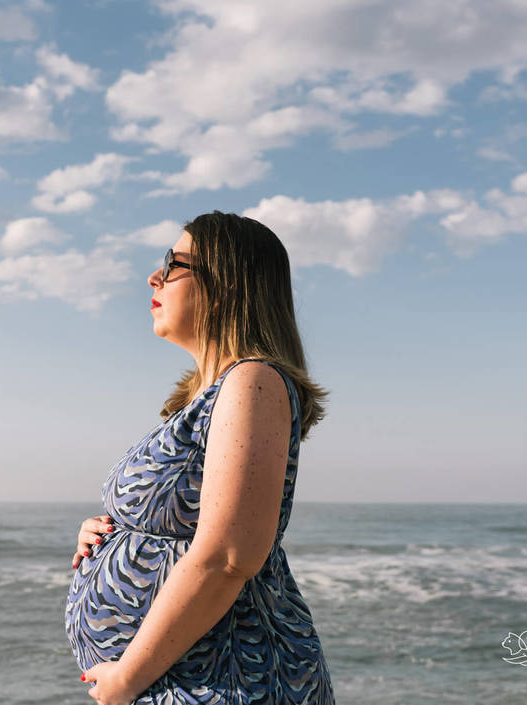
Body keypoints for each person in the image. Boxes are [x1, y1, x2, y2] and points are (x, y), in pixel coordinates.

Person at [64, 211, 336, 705]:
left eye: (173, 263)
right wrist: (113, 532)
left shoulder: (252, 381)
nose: (155, 277)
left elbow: (229, 556)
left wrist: (127, 677)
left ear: (226, 281)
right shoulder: (202, 399)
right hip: (182, 680)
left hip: (228, 683)